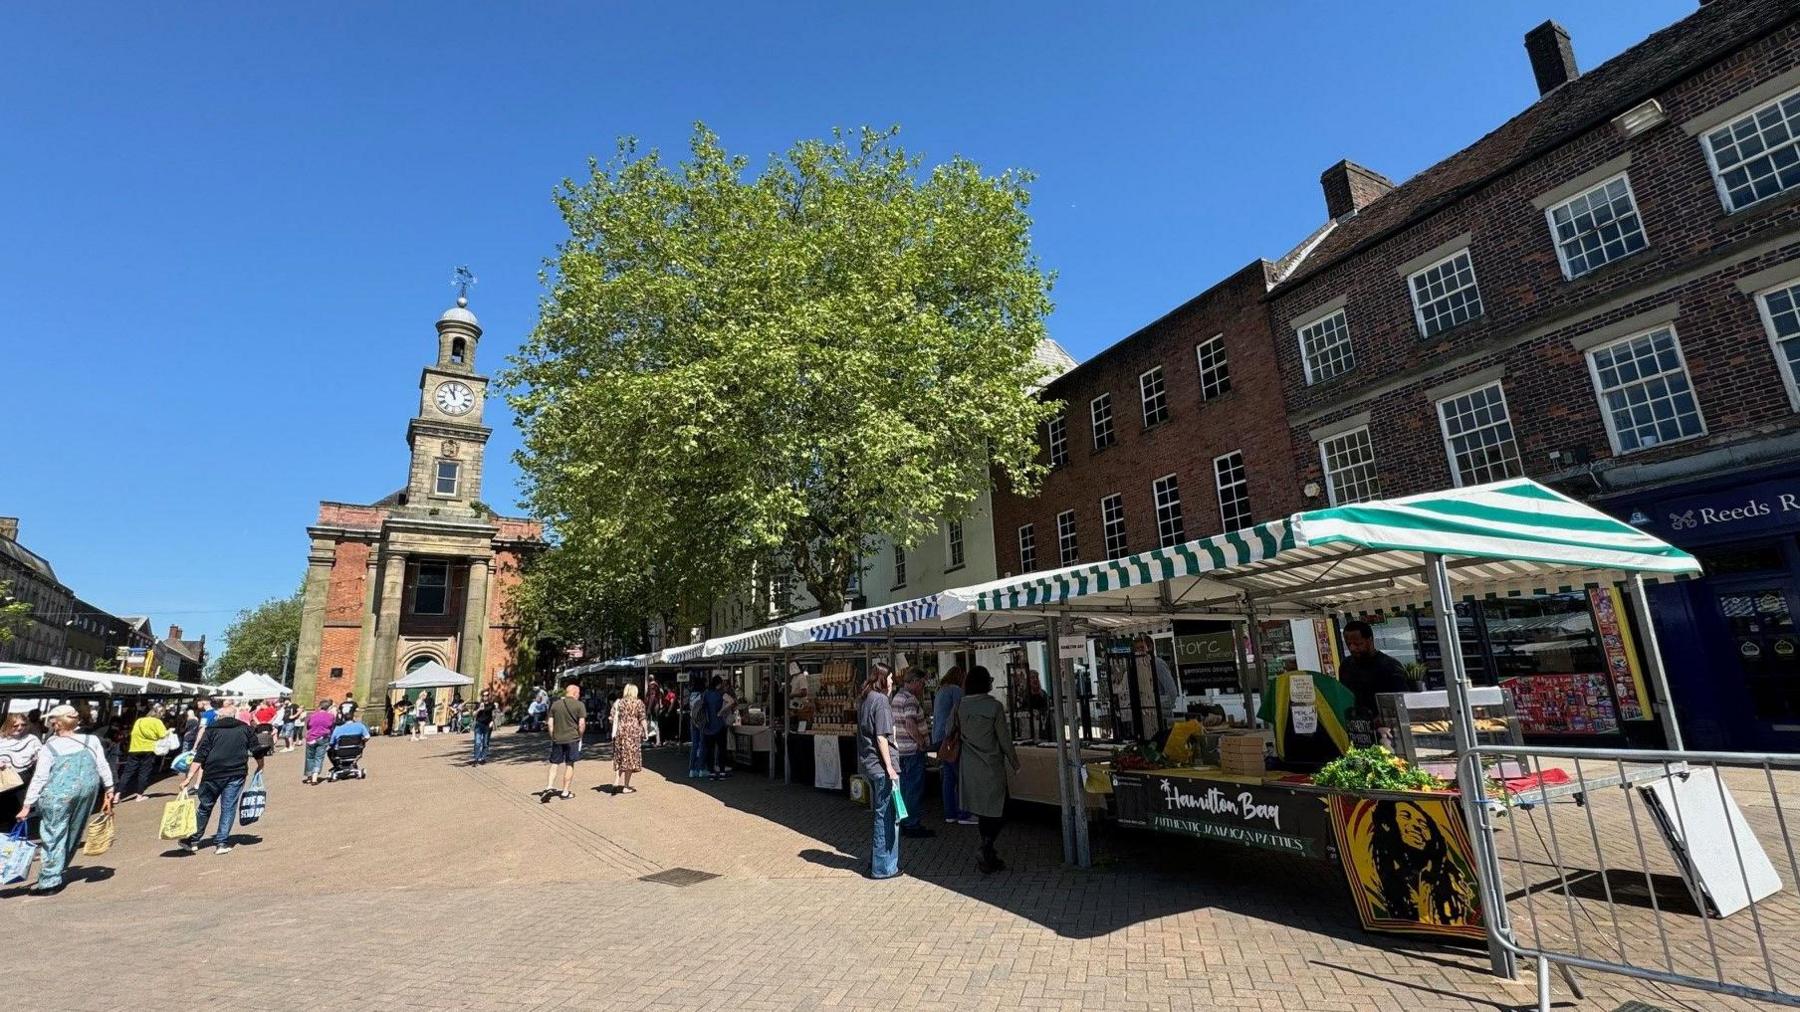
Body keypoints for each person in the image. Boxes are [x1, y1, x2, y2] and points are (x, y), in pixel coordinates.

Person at [16, 704, 114, 893]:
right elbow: (102, 765)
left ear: (57, 723)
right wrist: (109, 787)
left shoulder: (50, 746)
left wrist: (27, 805)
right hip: (87, 791)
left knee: (53, 834)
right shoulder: (91, 740)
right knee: (74, 831)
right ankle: (58, 869)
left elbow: (40, 777)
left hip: (58, 794)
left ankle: (49, 881)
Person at [1369, 799, 1474, 925]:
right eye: (1405, 816)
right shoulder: (1381, 874)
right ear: (1387, 824)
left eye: (1423, 824)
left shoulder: (1447, 877)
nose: (1417, 825)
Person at [179, 700, 264, 854]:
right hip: (236, 773)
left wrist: (189, 777)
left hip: (212, 773)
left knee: (204, 807)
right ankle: (221, 843)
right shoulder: (245, 729)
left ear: (219, 717)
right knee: (228, 807)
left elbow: (200, 755)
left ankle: (193, 840)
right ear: (235, 715)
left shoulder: (211, 730)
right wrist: (260, 765)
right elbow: (256, 749)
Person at [957, 666, 1019, 875]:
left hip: (970, 766)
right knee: (1001, 808)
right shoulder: (994, 707)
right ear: (985, 683)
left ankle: (988, 850)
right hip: (991, 765)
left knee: (984, 811)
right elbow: (1004, 739)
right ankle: (987, 846)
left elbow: (948, 731)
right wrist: (1015, 762)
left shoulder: (960, 705)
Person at [856, 661, 901, 880]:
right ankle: (884, 867)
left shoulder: (866, 699)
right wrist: (890, 768)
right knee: (886, 817)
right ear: (884, 678)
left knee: (881, 814)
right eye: (891, 678)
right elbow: (882, 737)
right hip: (882, 767)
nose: (893, 682)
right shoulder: (881, 701)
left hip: (869, 764)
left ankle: (878, 861)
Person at [891, 670, 934, 839]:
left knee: (904, 789)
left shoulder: (897, 697)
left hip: (900, 750)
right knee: (913, 789)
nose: (923, 687)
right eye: (922, 683)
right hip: (911, 751)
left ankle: (903, 821)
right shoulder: (910, 699)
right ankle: (911, 824)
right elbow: (910, 724)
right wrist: (921, 742)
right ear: (915, 681)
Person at [1339, 620, 1415, 716]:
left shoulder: (1389, 666)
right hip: (1356, 724)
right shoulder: (1346, 665)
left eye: (1358, 644)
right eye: (1348, 644)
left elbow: (1403, 700)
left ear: (1370, 640)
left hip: (1385, 724)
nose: (1352, 648)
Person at [932, 667, 974, 825]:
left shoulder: (940, 690)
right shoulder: (955, 690)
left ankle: (950, 813)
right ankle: (964, 813)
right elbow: (961, 711)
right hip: (951, 738)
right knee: (960, 775)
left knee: (948, 778)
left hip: (938, 737)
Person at [541, 681, 586, 801]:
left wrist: (553, 736)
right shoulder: (579, 705)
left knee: (554, 763)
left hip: (557, 738)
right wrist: (580, 736)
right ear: (575, 693)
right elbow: (581, 723)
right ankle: (565, 791)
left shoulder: (555, 705)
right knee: (570, 764)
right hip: (572, 738)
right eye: (578, 693)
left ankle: (549, 786)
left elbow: (550, 723)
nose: (579, 695)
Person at [118, 703, 170, 802]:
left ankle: (117, 795)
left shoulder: (139, 720)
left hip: (134, 748)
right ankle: (139, 795)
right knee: (144, 773)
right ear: (160, 713)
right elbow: (163, 735)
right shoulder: (157, 722)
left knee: (127, 772)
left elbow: (133, 733)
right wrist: (169, 731)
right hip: (148, 750)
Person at [1, 713, 43, 828]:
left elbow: (42, 758)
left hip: (23, 782)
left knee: (19, 814)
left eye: (23, 724)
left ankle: (14, 841)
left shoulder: (31, 739)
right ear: (8, 725)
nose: (20, 728)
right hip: (3, 782)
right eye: (15, 725)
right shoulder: (1, 740)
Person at [612, 683, 647, 793]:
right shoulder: (638, 703)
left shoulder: (619, 702)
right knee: (630, 759)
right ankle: (626, 786)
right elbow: (642, 719)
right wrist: (645, 731)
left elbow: (612, 716)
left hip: (621, 731)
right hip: (633, 733)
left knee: (621, 756)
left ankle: (617, 780)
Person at [303, 699, 336, 785]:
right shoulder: (331, 716)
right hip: (323, 738)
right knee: (319, 758)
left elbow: (308, 726)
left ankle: (309, 776)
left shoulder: (312, 715)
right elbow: (332, 727)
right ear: (328, 708)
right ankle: (314, 777)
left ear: (320, 706)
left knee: (309, 758)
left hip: (311, 738)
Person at [471, 694, 496, 765]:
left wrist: (492, 722)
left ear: (489, 697)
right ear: (482, 697)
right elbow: (473, 714)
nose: (485, 697)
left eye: (487, 695)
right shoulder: (478, 704)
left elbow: (494, 714)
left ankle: (483, 758)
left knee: (485, 743)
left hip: (487, 726)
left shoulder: (492, 705)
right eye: (484, 695)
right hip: (479, 725)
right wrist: (479, 709)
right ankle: (476, 758)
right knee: (477, 742)